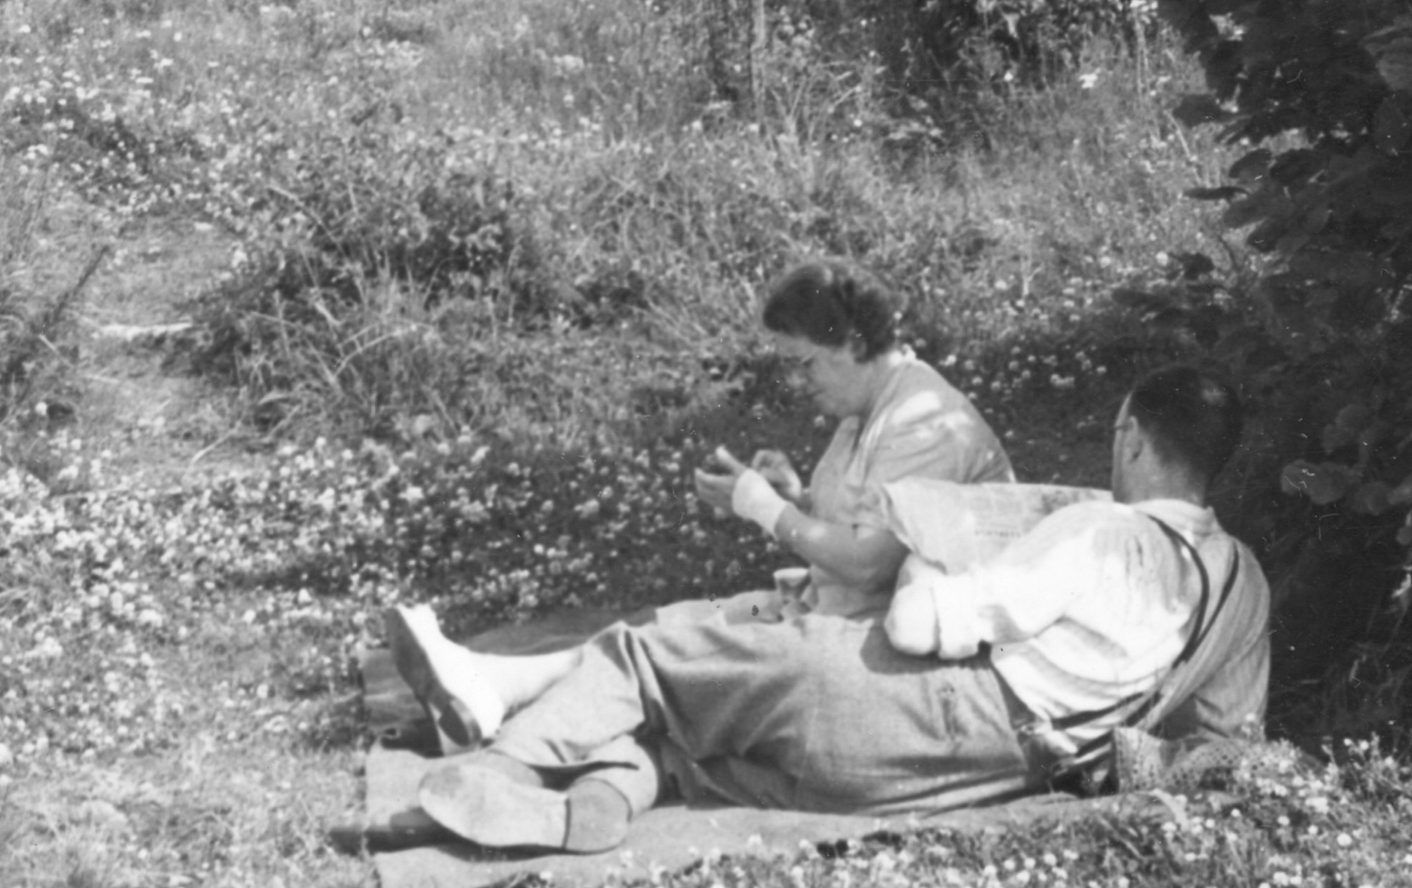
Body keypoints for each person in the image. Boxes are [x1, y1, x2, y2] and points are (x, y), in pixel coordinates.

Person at [409, 365, 1268, 856]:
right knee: (680, 746)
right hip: (970, 777)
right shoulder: (1243, 582)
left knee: (649, 652)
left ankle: (506, 770)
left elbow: (914, 627)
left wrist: (934, 544)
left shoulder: (1099, 533)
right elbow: (1229, 737)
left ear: (1131, 438)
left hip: (905, 706)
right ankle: (596, 802)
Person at [385, 259, 1010, 749]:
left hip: (904, 656)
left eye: (805, 363)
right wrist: (797, 497)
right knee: (677, 623)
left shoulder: (927, 422)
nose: (799, 383)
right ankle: (493, 687)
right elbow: (863, 523)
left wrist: (766, 509)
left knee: (687, 652)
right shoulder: (868, 411)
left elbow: (870, 563)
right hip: (842, 611)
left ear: (849, 342)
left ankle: (498, 696)